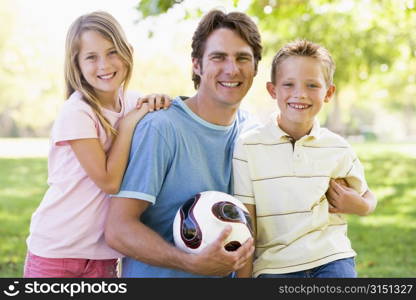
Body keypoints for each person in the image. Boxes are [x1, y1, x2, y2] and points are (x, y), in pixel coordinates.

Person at [105, 9, 263, 278]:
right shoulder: (161, 128)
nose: (232, 69)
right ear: (197, 65)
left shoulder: (253, 134)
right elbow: (119, 229)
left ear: (256, 67)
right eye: (218, 57)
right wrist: (191, 263)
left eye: (242, 58)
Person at [24, 11, 170, 278]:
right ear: (77, 64)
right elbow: (108, 181)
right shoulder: (78, 112)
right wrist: (127, 125)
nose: (104, 65)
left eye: (112, 52)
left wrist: (158, 100)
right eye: (91, 57)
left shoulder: (132, 102)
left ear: (128, 52)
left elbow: (157, 112)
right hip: (58, 251)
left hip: (103, 255)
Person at [233, 39, 377, 278]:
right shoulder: (248, 146)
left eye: (312, 85)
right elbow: (247, 222)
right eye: (289, 84)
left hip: (331, 258)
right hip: (275, 266)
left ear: (328, 92)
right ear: (273, 90)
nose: (300, 94)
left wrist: (362, 206)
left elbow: (367, 194)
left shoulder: (337, 147)